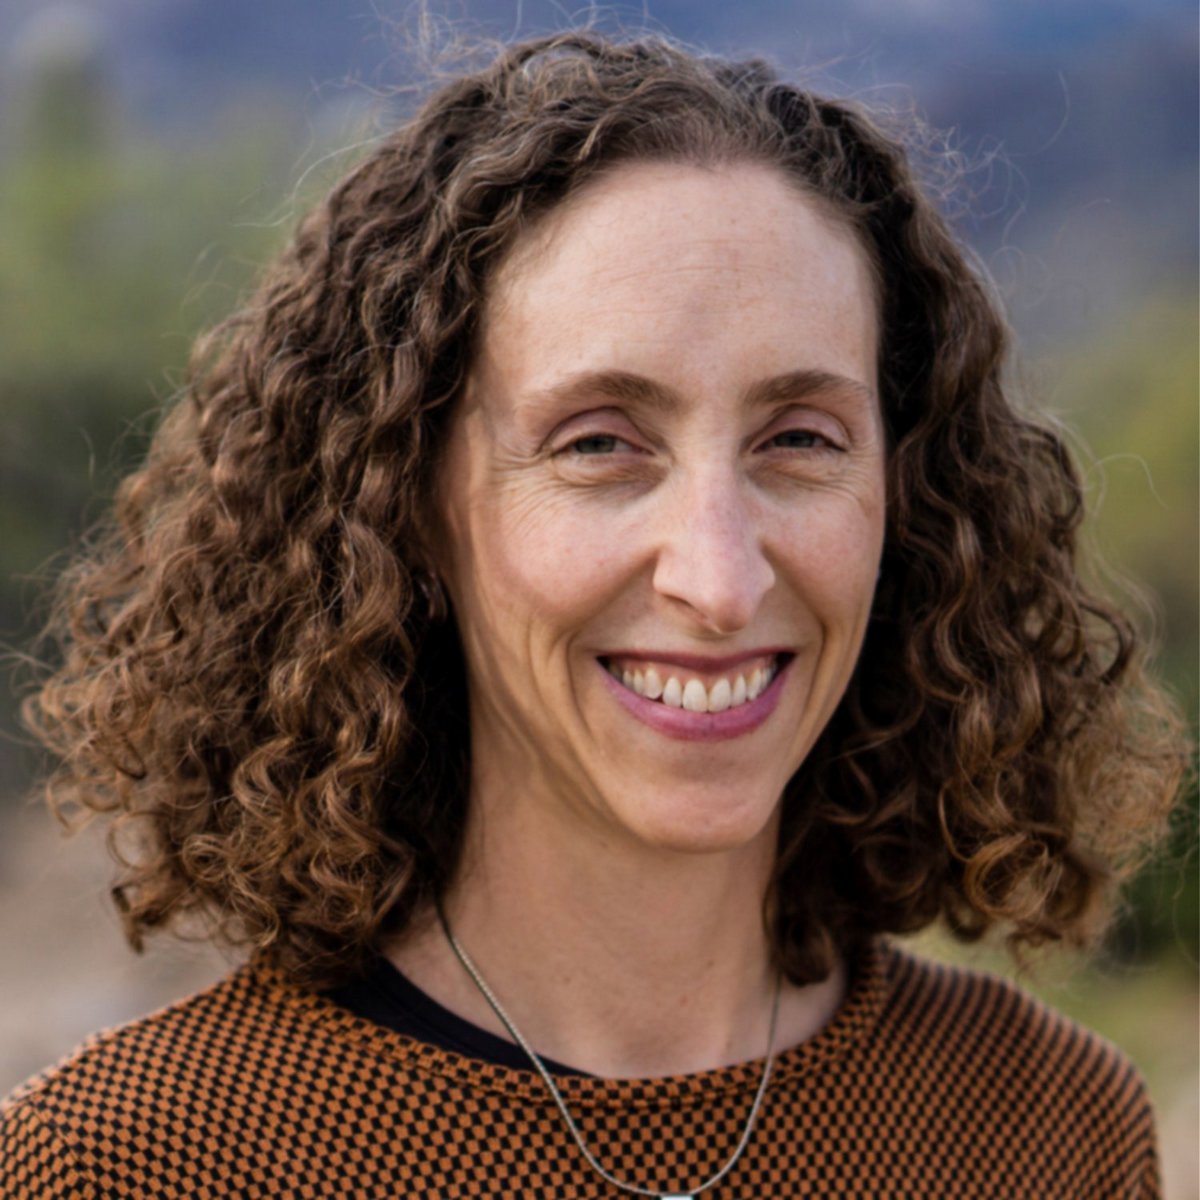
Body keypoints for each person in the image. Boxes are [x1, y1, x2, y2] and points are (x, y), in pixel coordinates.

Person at [0, 30, 1186, 1199]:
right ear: (410, 503)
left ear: (904, 494)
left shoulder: (1049, 1127)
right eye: (601, 444)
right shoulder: (127, 1165)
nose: (718, 581)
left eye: (800, 440)